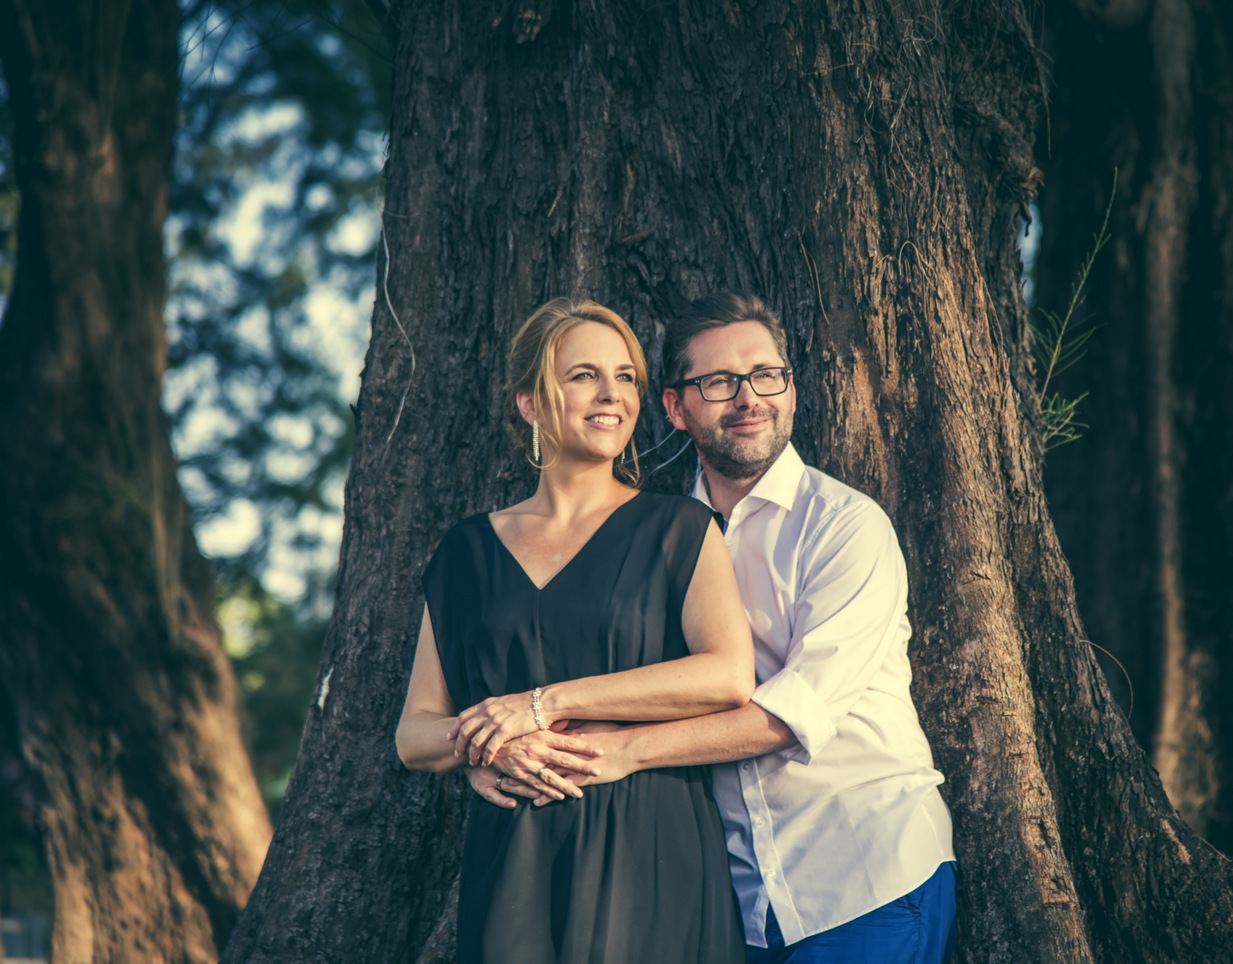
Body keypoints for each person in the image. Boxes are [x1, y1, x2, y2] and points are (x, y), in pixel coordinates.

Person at [474, 293, 958, 964]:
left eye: (766, 375)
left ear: (789, 388)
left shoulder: (845, 526)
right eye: (718, 383)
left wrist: (625, 750)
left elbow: (790, 714)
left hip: (864, 875)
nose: (749, 397)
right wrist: (492, 753)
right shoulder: (657, 539)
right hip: (736, 903)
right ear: (676, 408)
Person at [396, 298, 753, 964]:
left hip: (653, 850)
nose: (611, 394)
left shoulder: (678, 530)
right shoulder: (465, 554)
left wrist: (540, 704)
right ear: (532, 403)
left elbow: (728, 676)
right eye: (584, 375)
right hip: (513, 862)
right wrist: (486, 746)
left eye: (626, 378)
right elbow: (414, 732)